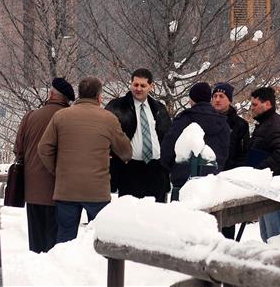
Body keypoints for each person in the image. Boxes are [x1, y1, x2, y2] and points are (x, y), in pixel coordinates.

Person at [38, 77, 132, 244]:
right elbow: (126, 152)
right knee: (98, 239)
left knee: (65, 239)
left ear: (79, 94)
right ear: (99, 97)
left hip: (66, 188)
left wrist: (57, 170)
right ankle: (96, 269)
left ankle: (63, 268)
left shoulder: (61, 116)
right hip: (97, 190)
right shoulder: (108, 118)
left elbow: (44, 148)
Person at [13, 77, 74, 253]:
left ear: (51, 94)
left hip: (33, 192)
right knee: (56, 249)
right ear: (67, 99)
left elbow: (18, 150)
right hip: (60, 191)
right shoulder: (68, 118)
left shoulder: (30, 117)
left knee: (36, 245)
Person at [105, 68, 172, 202]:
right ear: (131, 84)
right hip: (129, 170)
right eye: (135, 85)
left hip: (155, 169)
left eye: (143, 85)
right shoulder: (117, 107)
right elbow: (106, 134)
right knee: (130, 215)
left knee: (156, 216)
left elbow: (168, 137)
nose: (139, 89)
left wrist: (165, 166)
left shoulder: (159, 108)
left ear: (150, 86)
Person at [161, 82, 230, 199]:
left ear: (192, 100)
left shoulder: (184, 119)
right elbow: (224, 152)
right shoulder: (222, 122)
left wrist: (170, 168)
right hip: (211, 181)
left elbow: (168, 148)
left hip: (183, 180)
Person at [249, 86, 280, 243]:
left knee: (276, 238)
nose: (251, 108)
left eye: (254, 105)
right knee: (267, 237)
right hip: (266, 187)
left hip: (274, 188)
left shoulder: (274, 125)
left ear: (267, 104)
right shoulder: (264, 125)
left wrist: (262, 170)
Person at [211, 82, 250, 239]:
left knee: (227, 227)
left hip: (229, 180)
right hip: (208, 179)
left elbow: (243, 154)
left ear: (229, 100)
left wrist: (234, 175)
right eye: (214, 96)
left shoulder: (240, 125)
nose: (217, 100)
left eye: (221, 96)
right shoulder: (206, 120)